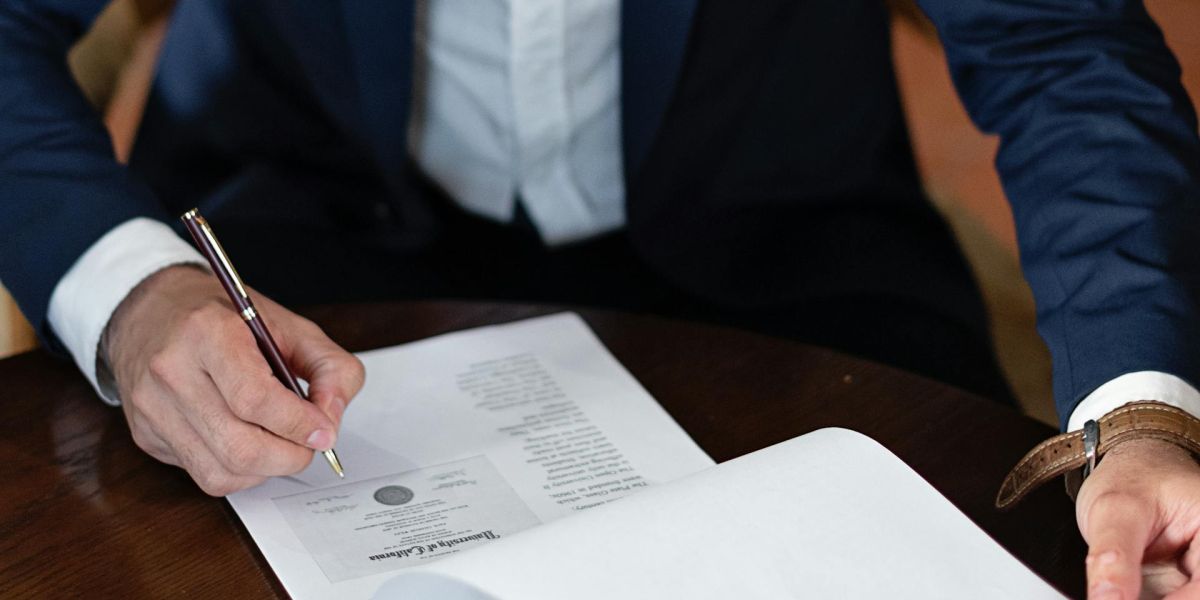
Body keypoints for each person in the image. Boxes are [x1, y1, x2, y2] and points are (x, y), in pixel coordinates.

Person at [2, 1, 1198, 597]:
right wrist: (131, 293)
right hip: (306, 255)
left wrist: (1143, 417)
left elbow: (1063, 51)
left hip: (787, 262)